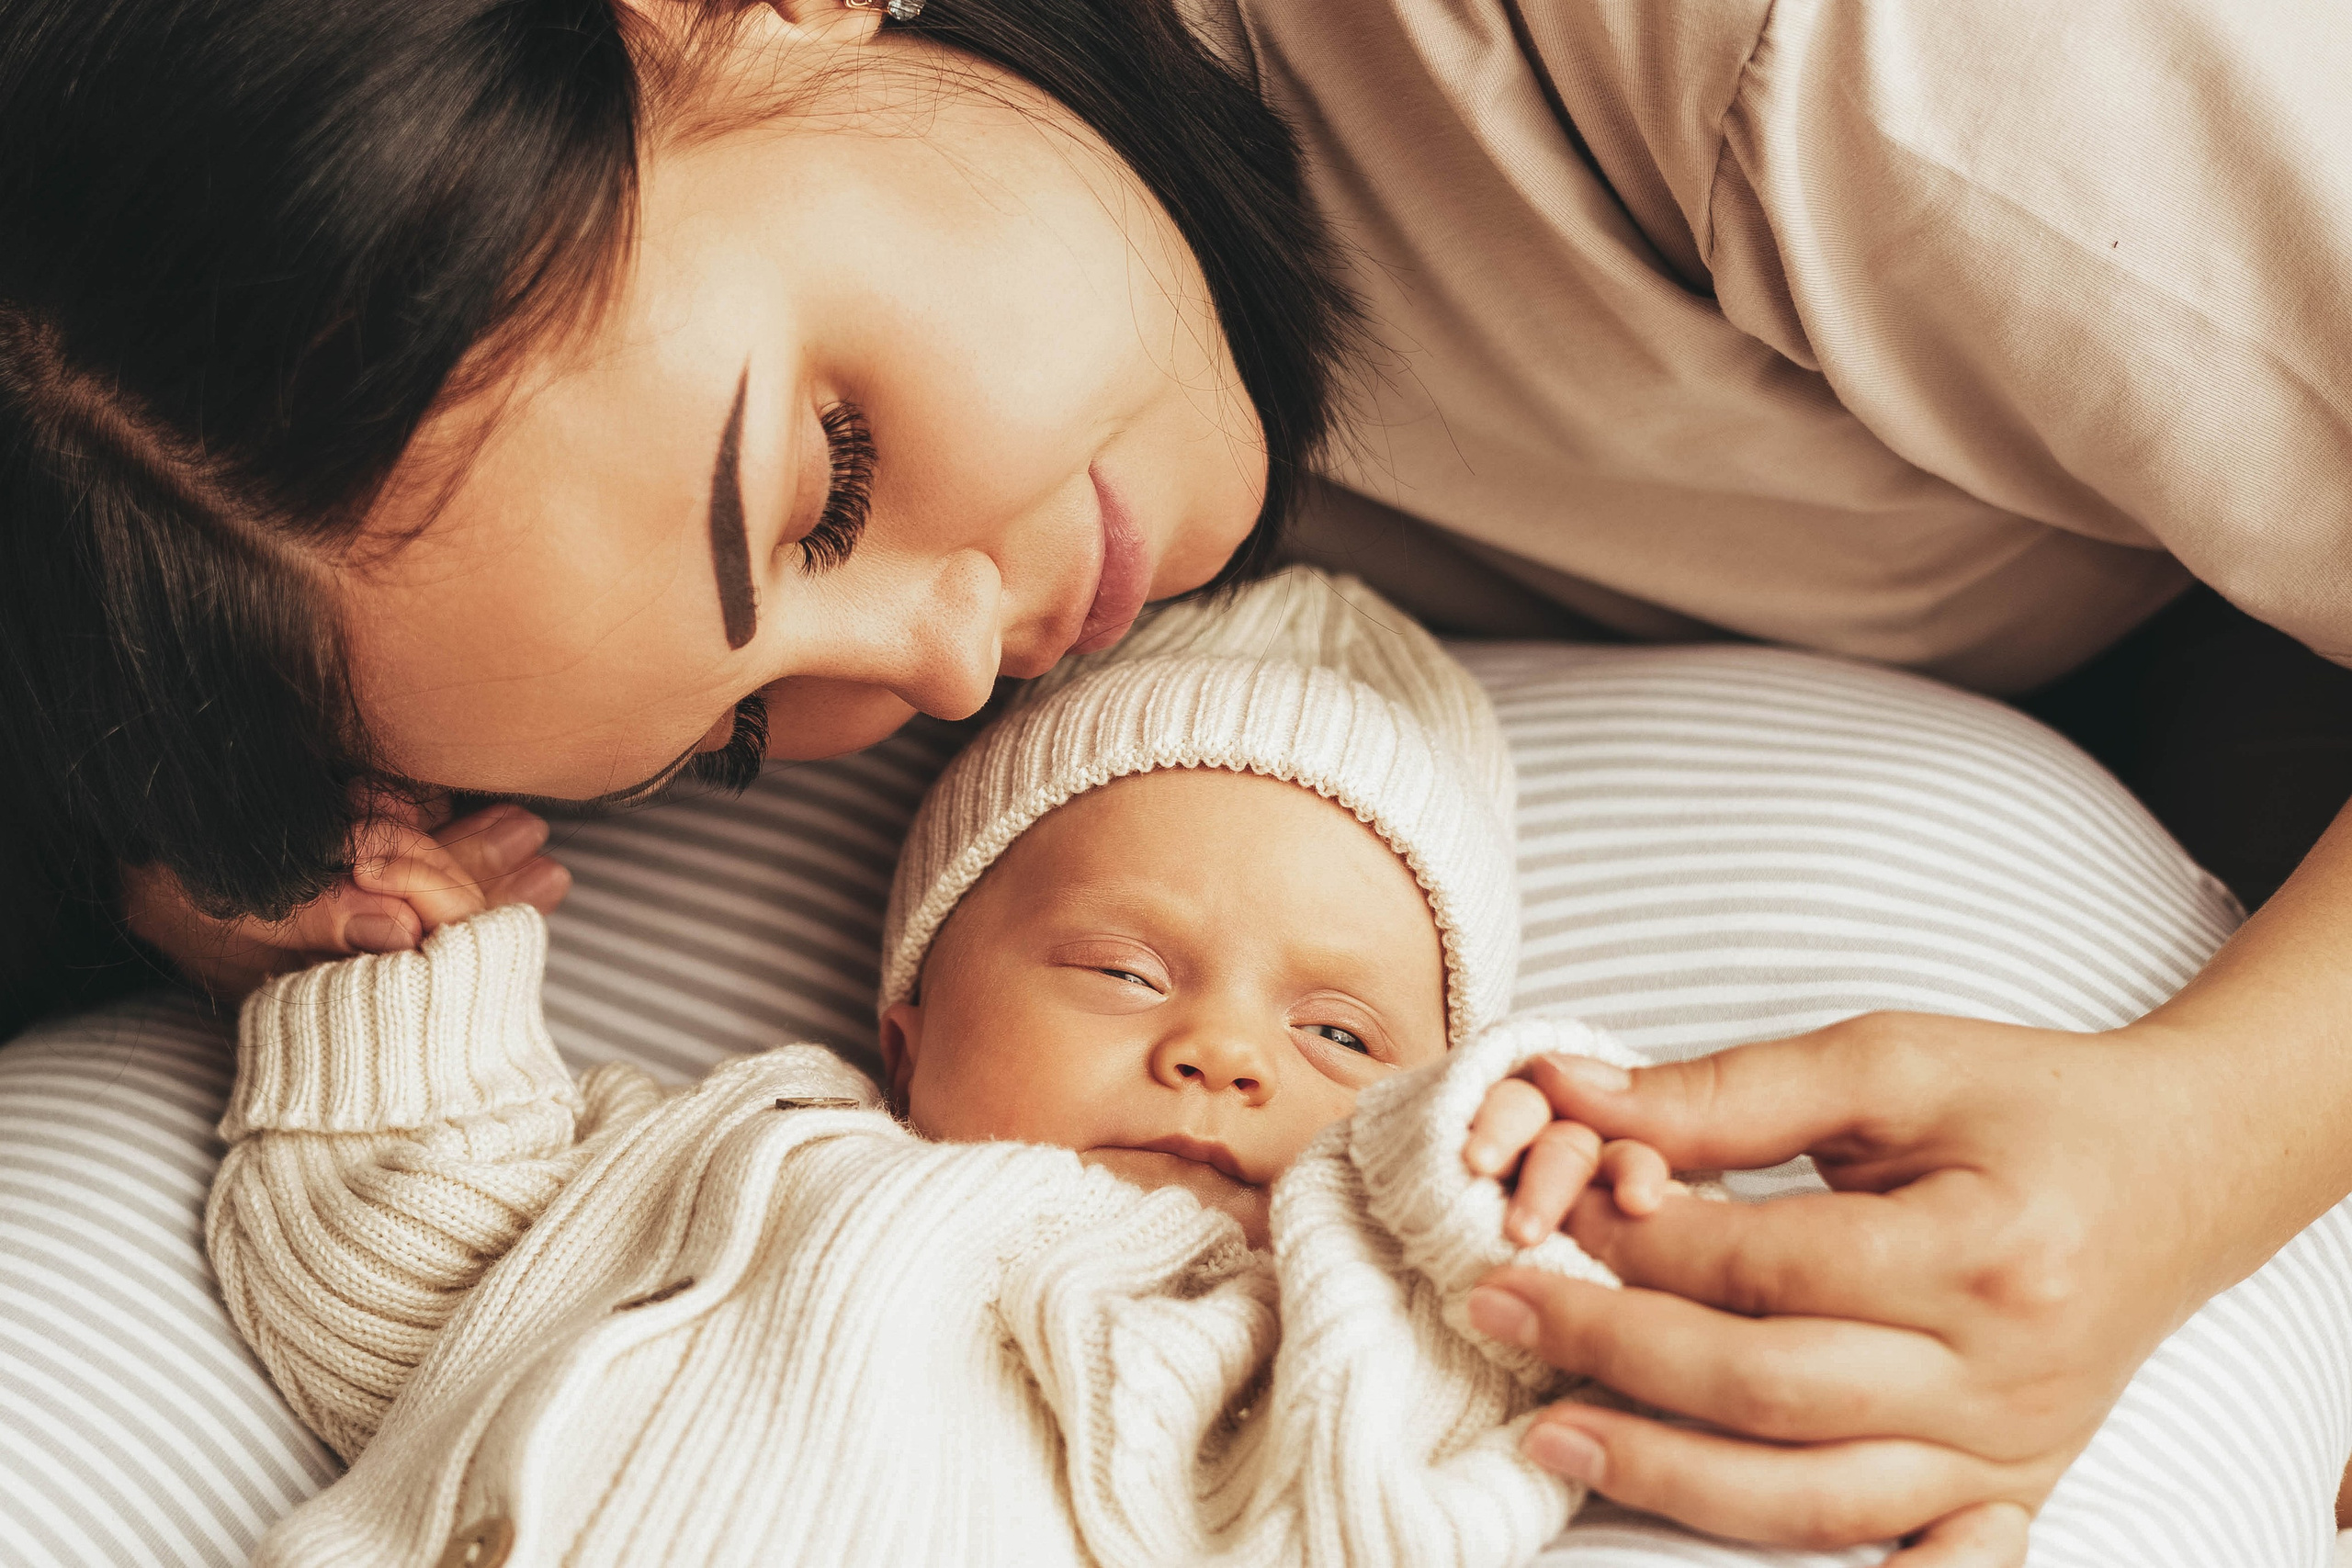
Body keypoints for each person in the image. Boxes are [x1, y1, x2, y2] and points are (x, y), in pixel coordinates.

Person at [6, 0, 2352, 1556]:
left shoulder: (1781, 54)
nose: (935, 659)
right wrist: (265, 899)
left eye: (829, 473)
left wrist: (2211, 1140)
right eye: (736, 726)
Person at [205, 574, 1681, 1566]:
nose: (1223, 1053)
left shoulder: (1273, 1341)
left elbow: (1400, 1470)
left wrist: (1511, 1187)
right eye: (1123, 970)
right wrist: (405, 975)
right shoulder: (730, 1153)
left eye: (1340, 1039)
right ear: (910, 1020)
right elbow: (391, 1282)